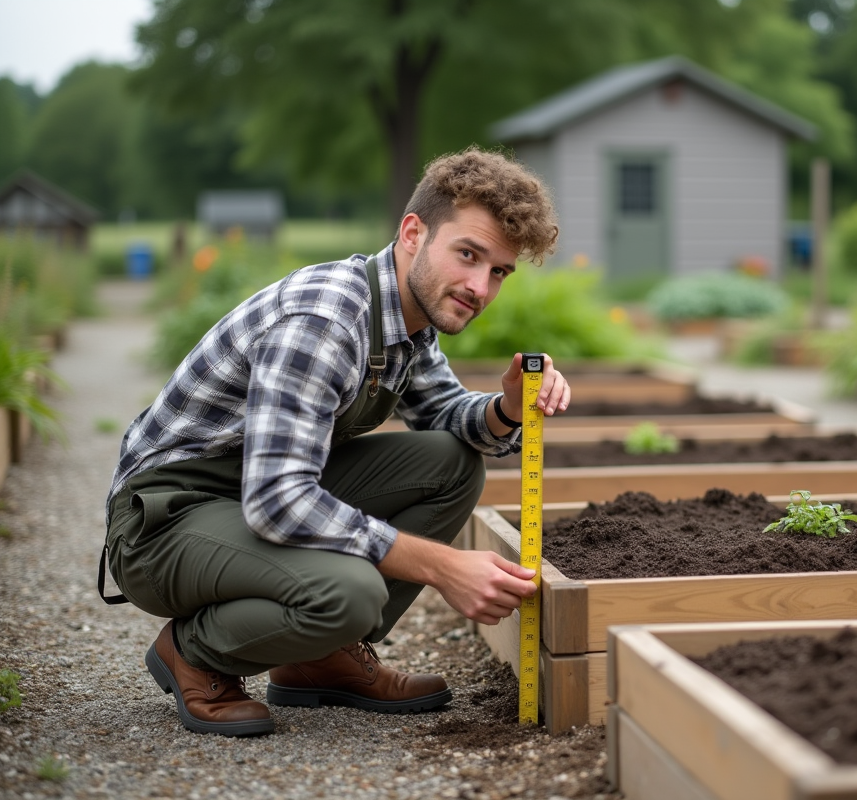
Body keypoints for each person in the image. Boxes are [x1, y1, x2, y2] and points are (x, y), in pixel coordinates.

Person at [98, 147, 569, 737]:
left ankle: (318, 656)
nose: (479, 287)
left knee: (451, 465)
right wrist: (444, 566)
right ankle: (195, 653)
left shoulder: (405, 319)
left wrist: (506, 408)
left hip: (245, 493)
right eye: (468, 255)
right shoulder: (325, 321)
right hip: (167, 518)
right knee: (351, 592)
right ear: (413, 233)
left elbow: (448, 417)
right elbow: (278, 501)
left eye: (498, 270)